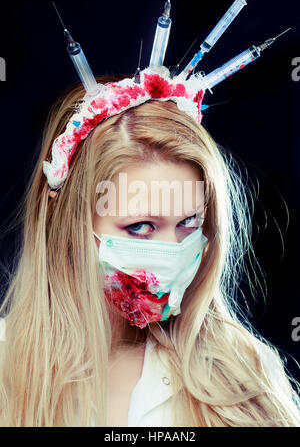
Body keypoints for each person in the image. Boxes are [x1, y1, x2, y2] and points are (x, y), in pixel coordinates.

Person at [0, 72, 300, 427]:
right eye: (140, 227)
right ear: (69, 225)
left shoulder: (245, 376)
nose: (172, 252)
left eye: (189, 223)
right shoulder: (7, 360)